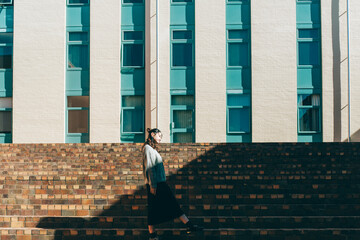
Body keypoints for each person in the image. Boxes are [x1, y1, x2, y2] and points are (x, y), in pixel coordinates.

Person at [142, 128, 203, 240]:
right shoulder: (147, 148)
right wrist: (153, 185)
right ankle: (187, 225)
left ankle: (153, 234)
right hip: (156, 184)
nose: (160, 139)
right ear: (152, 135)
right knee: (158, 206)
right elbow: (150, 168)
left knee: (162, 206)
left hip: (159, 182)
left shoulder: (153, 149)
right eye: (159, 136)